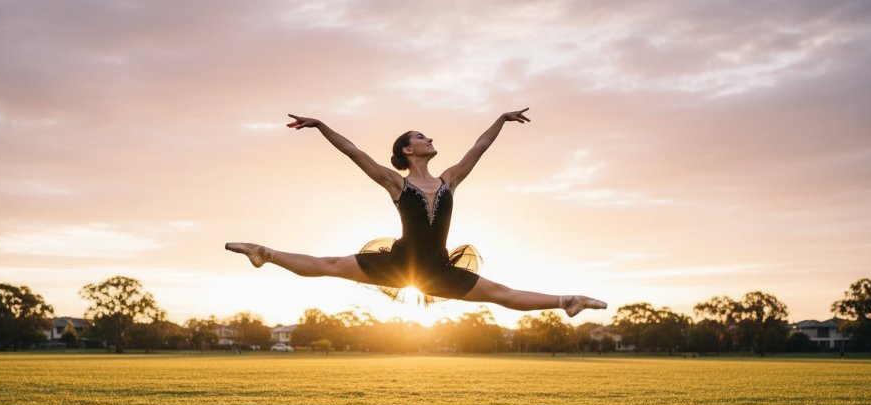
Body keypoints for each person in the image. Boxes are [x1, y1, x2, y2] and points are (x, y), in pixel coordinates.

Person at [226, 109, 607, 318]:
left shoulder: (449, 181)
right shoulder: (396, 184)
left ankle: (567, 301)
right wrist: (322, 125)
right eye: (421, 137)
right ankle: (266, 252)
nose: (429, 140)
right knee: (330, 263)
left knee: (502, 294)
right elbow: (353, 151)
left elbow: (480, 147)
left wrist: (502, 119)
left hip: (437, 269)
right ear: (408, 150)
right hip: (401, 264)